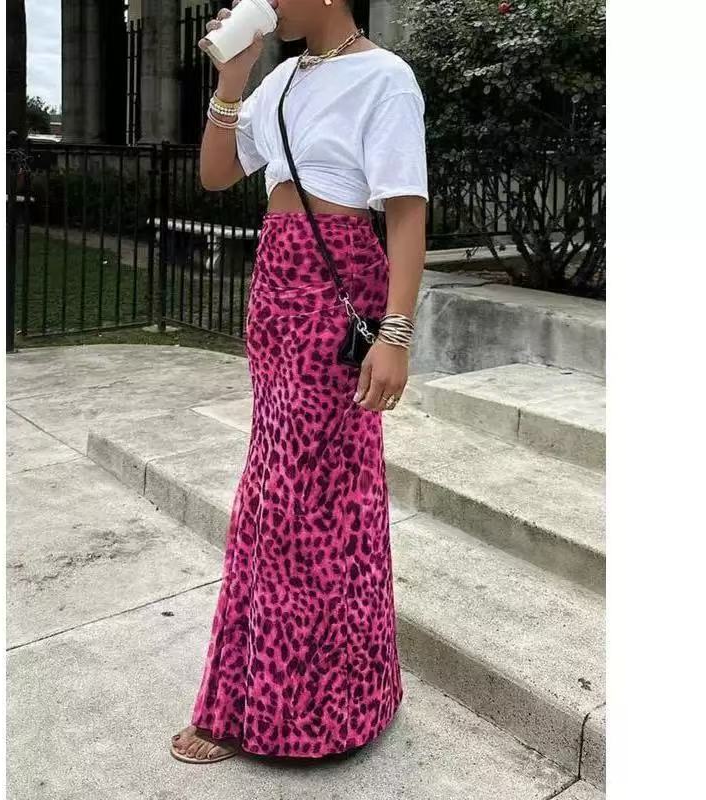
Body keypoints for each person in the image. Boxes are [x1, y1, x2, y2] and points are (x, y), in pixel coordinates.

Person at [171, 0, 428, 763]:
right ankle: (264, 699)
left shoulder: (386, 78)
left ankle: (310, 712)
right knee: (273, 492)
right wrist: (232, 79)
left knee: (314, 501)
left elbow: (406, 213)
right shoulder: (281, 80)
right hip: (276, 288)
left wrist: (395, 334)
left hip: (337, 284)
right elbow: (217, 174)